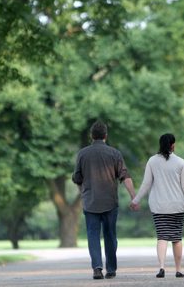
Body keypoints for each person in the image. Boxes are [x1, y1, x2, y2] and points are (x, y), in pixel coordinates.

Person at [72, 120, 136, 280]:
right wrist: (134, 197)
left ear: (91, 136)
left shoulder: (82, 154)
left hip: (90, 202)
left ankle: (97, 268)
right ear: (105, 136)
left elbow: (77, 178)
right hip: (110, 202)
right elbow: (125, 176)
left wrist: (83, 194)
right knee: (110, 235)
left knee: (93, 235)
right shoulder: (115, 153)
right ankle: (112, 269)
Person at [130, 133, 184, 279]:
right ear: (173, 145)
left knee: (162, 237)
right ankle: (178, 270)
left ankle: (162, 267)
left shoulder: (152, 161)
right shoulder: (180, 162)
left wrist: (136, 200)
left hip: (159, 206)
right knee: (176, 238)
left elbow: (146, 184)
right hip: (177, 206)